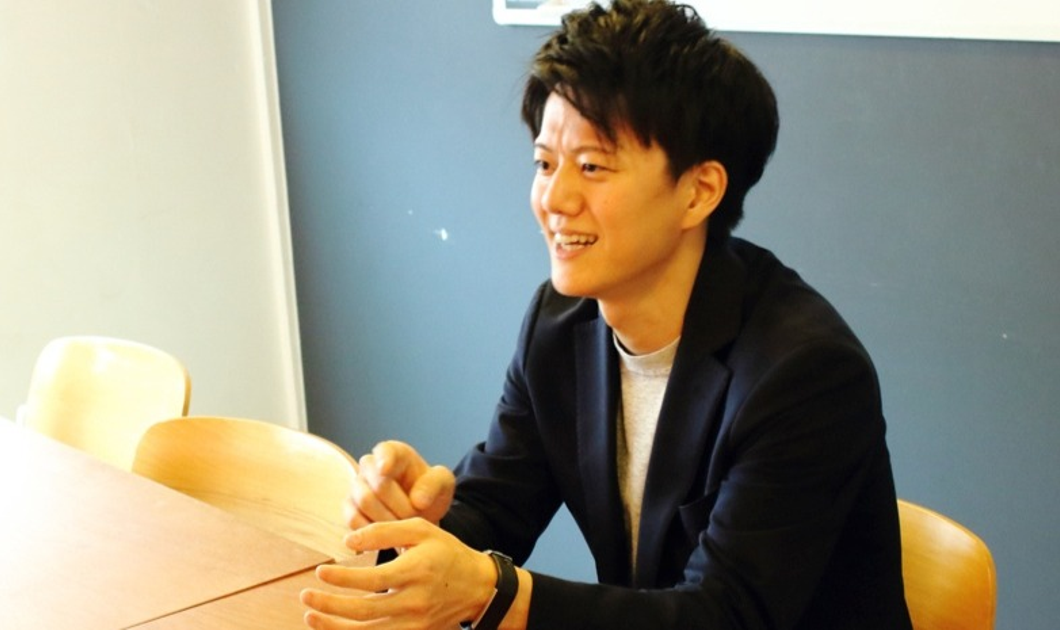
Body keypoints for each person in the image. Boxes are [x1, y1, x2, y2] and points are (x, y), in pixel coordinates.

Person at [300, 0, 913, 628]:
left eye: (592, 166)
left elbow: (725, 616)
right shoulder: (561, 322)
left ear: (698, 191)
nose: (555, 198)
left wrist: (495, 593)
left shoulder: (804, 372)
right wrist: (415, 525)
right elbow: (497, 506)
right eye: (545, 163)